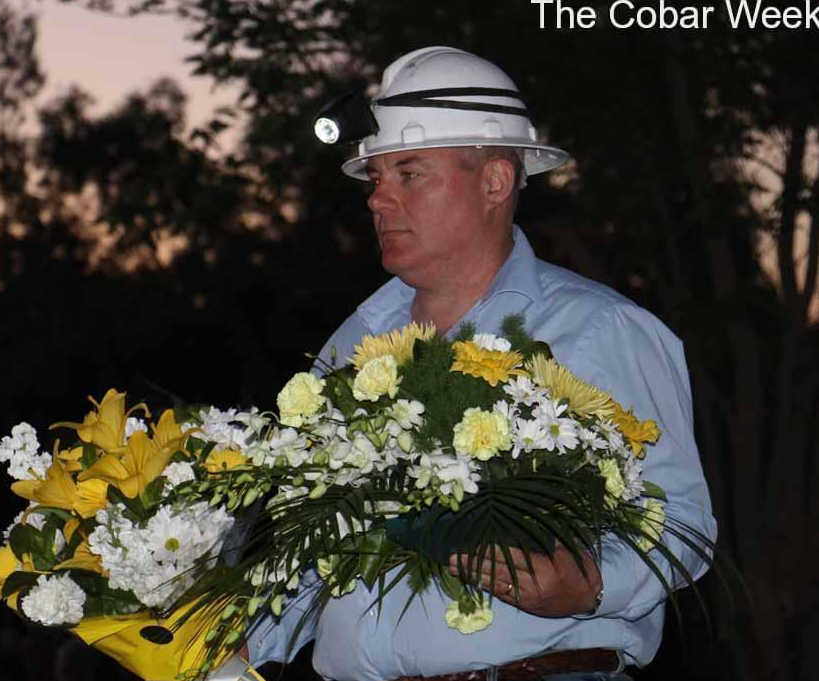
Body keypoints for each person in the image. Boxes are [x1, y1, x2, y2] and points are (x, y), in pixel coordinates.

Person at [245, 46, 716, 681]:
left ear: (494, 181)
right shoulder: (353, 340)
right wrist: (233, 648)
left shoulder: (600, 330)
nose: (378, 200)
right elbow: (313, 543)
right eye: (375, 178)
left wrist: (593, 584)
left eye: (408, 173)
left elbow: (683, 524)